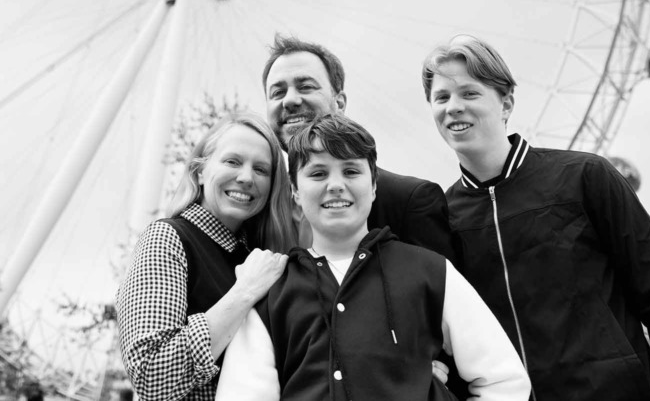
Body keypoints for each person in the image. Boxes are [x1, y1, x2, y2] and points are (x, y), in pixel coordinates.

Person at [423, 34, 650, 401]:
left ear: (506, 103)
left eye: (469, 93)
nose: (453, 107)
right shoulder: (440, 219)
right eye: (441, 97)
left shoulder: (585, 178)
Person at [215, 114, 530, 401]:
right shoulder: (273, 294)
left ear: (374, 185)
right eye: (318, 173)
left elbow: (504, 380)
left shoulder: (429, 271)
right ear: (295, 191)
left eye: (351, 171)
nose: (336, 185)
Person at [116, 113, 299, 401]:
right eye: (232, 161)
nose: (246, 177)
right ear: (199, 171)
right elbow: (151, 374)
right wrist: (244, 292)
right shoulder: (168, 239)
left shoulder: (258, 258)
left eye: (261, 170)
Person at [262, 34, 452, 258]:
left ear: (340, 103)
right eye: (278, 92)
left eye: (305, 87)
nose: (290, 100)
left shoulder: (411, 202)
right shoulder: (261, 207)